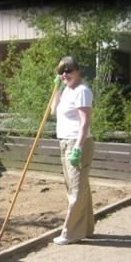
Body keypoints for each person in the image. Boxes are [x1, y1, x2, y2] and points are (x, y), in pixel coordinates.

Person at [50, 56, 95, 245]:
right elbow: (53, 111)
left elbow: (85, 122)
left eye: (68, 71)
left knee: (76, 189)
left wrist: (78, 147)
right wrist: (56, 89)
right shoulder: (66, 90)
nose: (64, 75)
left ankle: (70, 233)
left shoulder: (82, 91)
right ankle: (86, 228)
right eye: (61, 72)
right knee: (77, 187)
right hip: (64, 142)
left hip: (78, 144)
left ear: (78, 71)